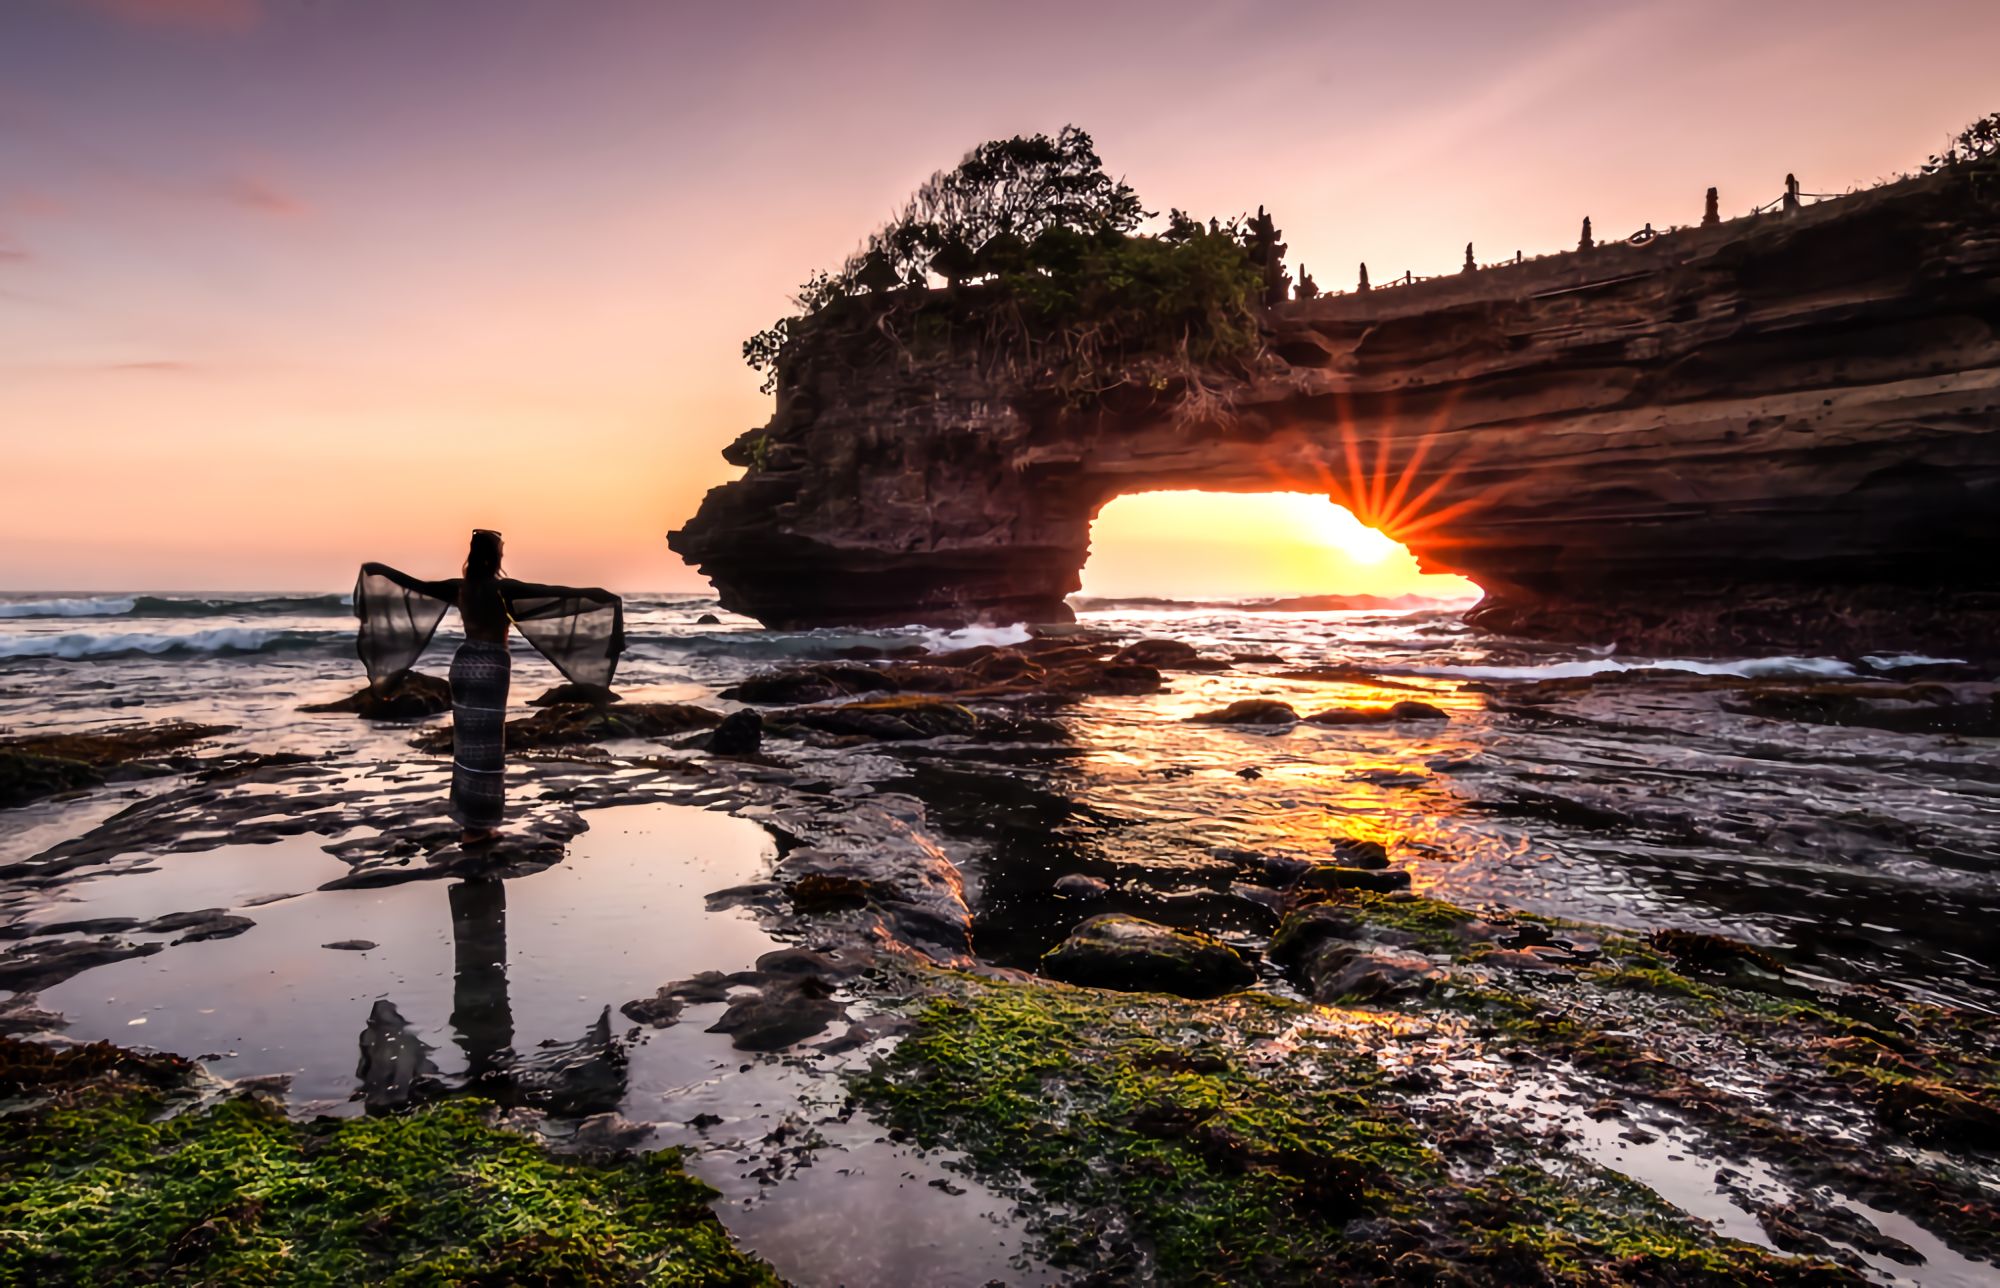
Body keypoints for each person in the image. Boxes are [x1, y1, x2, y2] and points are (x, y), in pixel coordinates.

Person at [352, 530, 625, 844]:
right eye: (501, 551)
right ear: (495, 556)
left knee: (468, 745)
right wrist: (603, 596)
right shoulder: (502, 588)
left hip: (464, 663)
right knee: (489, 747)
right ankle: (481, 826)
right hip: (492, 665)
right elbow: (555, 594)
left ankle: (470, 825)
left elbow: (414, 585)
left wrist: (379, 570)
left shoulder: (460, 588)